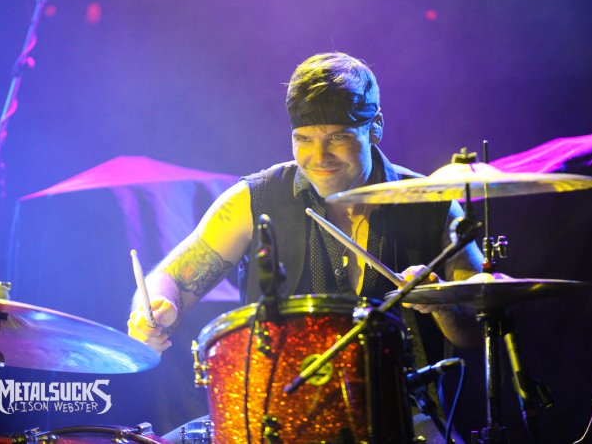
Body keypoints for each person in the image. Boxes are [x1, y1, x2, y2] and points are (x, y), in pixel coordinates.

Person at [128, 52, 483, 442]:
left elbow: (478, 328)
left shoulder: (432, 206)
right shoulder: (253, 201)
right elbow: (172, 280)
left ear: (375, 127)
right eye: (304, 140)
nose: (319, 157)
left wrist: (443, 305)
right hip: (276, 418)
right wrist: (154, 308)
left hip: (401, 415)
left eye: (338, 138)